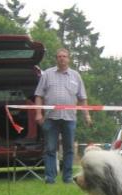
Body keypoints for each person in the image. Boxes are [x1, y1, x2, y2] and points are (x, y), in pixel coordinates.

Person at [34, 48, 92, 184]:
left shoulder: (76, 76)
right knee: (50, 149)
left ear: (69, 59)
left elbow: (82, 98)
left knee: (69, 149)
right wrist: (38, 113)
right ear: (56, 59)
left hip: (69, 118)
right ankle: (50, 177)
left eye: (64, 56)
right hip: (50, 118)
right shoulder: (47, 74)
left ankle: (67, 177)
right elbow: (38, 95)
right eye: (59, 56)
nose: (62, 58)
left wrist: (87, 116)